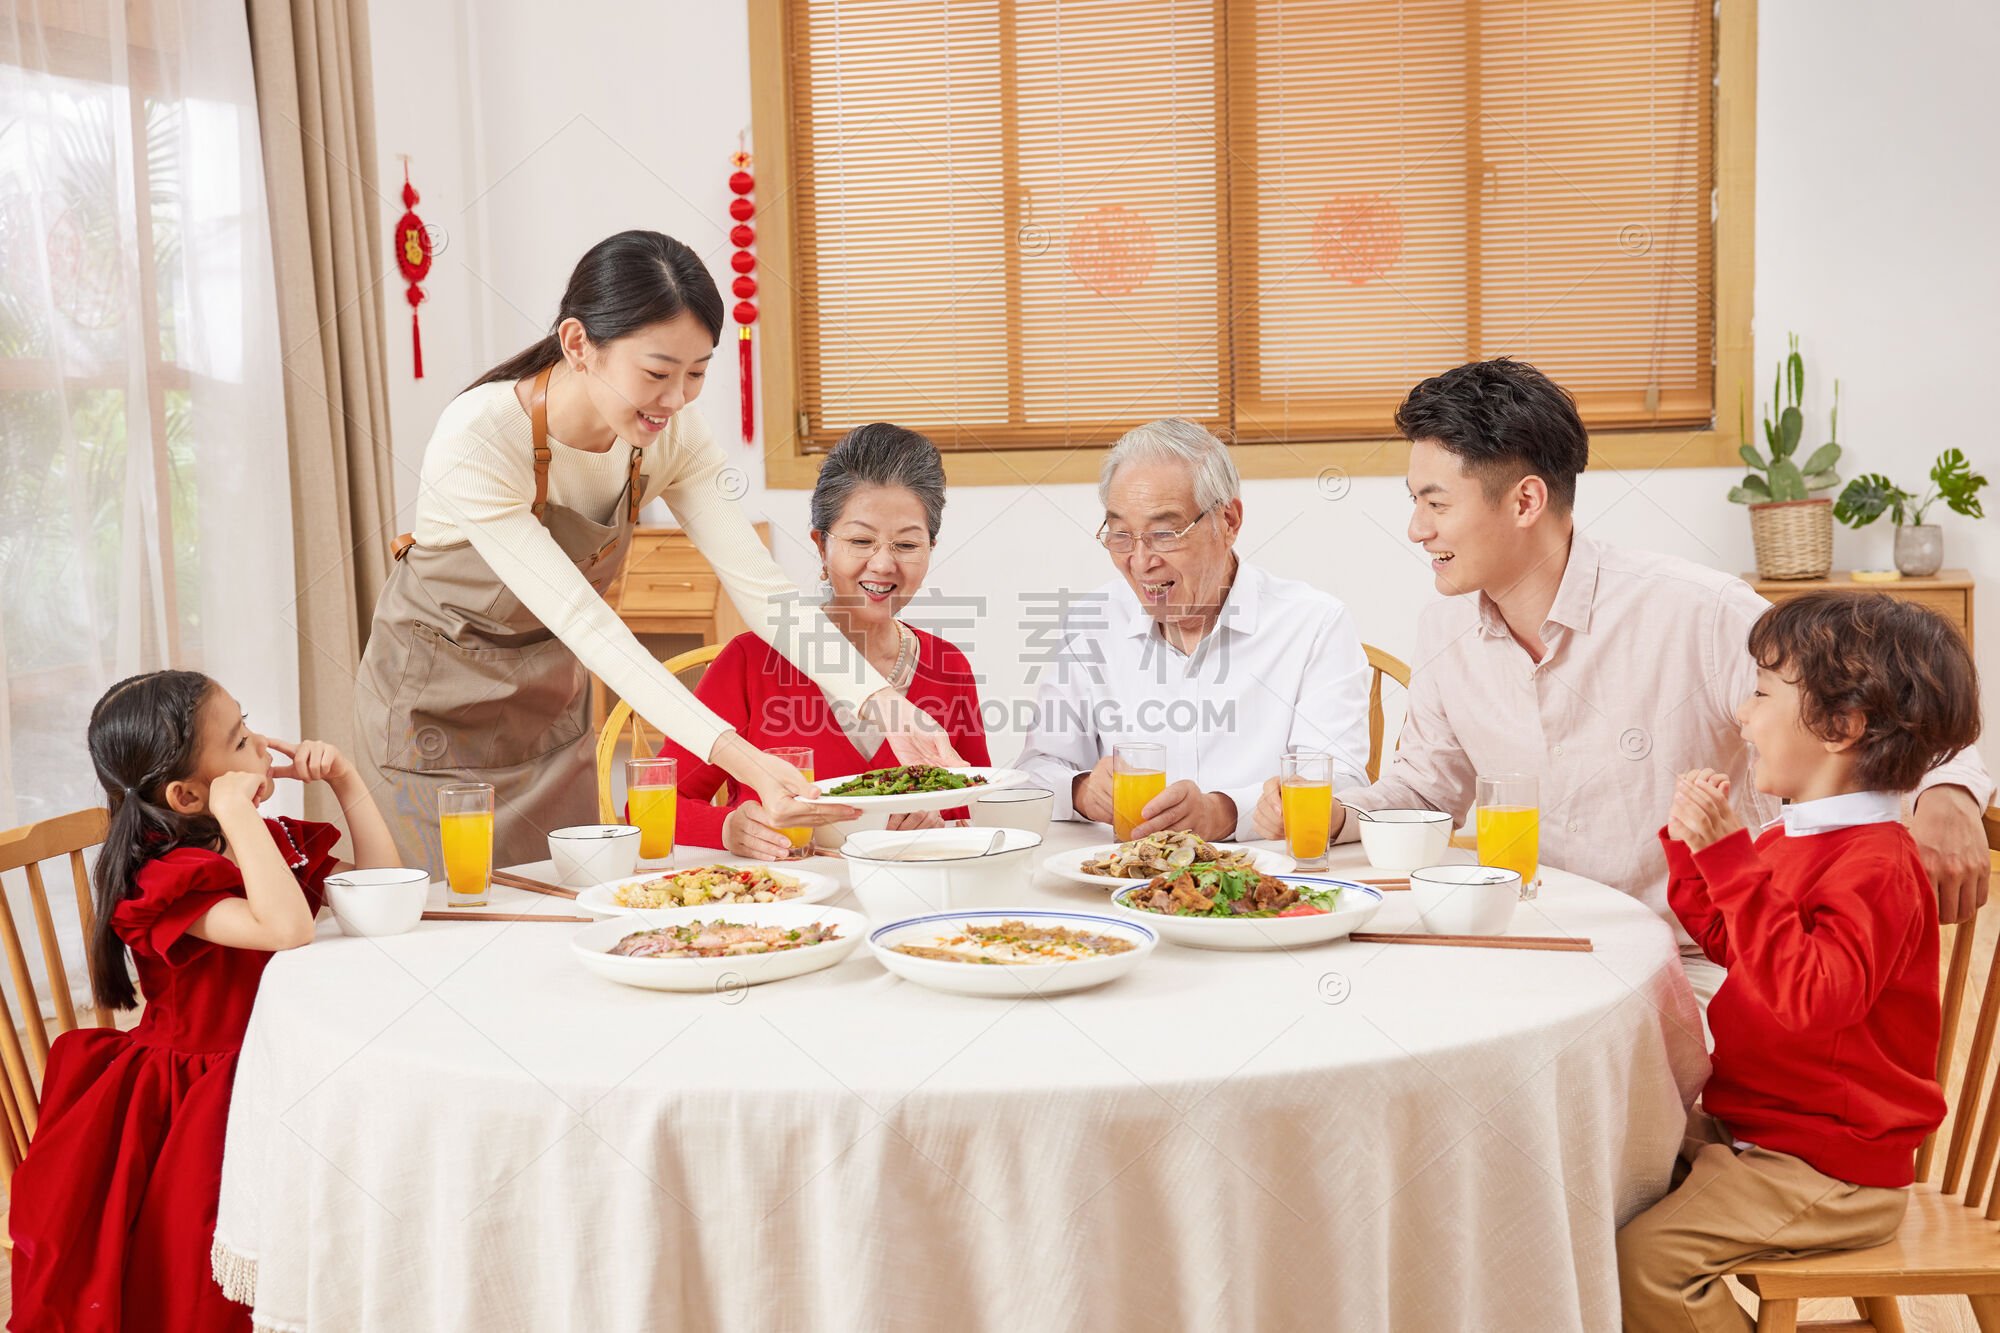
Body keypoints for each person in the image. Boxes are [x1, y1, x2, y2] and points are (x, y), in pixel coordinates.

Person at [1253, 359, 1992, 997]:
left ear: (1525, 501)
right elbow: (1423, 794)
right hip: (1533, 946)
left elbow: (1878, 702)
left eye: (1434, 502)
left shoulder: (1699, 612)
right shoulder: (1446, 627)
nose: (1416, 528)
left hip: (1702, 960)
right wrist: (1335, 814)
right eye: (1414, 502)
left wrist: (1950, 792)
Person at [354, 230, 960, 875]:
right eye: (656, 373)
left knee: (571, 905)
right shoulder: (480, 436)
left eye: (696, 374)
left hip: (545, 711)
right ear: (579, 344)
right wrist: (744, 759)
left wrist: (878, 700)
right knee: (451, 913)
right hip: (433, 715)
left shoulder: (668, 437)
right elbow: (588, 624)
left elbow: (761, 589)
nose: (675, 399)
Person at [1615, 592, 1978, 1331]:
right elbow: (1734, 942)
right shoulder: (1793, 836)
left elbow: (1810, 997)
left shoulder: (1878, 865)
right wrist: (1695, 852)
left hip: (1830, 1165)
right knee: (1608, 1161)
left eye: (1760, 693)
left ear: (1840, 727)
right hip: (1762, 1130)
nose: (1743, 715)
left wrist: (1727, 855)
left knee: (1647, 1262)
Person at [8, 671, 396, 1328]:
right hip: (205, 1087)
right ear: (190, 794)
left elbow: (382, 892)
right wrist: (240, 812)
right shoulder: (164, 878)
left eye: (249, 728)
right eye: (242, 740)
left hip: (279, 1056)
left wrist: (347, 782)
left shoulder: (252, 841)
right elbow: (287, 927)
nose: (263, 751)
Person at [1014, 418, 1371, 842]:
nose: (1141, 561)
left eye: (1164, 533)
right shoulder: (1091, 622)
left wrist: (1222, 812)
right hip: (1119, 880)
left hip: (1263, 885)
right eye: (1121, 535)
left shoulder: (1313, 623)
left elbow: (1340, 788)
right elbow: (1033, 772)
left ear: (1229, 520)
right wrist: (1081, 791)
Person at [657, 424, 991, 857]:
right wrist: (727, 829)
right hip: (782, 905)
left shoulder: (948, 665)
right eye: (860, 540)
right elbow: (652, 806)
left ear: (931, 547)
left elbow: (979, 799)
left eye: (907, 544)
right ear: (821, 546)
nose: (884, 563)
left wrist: (938, 819)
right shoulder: (751, 660)